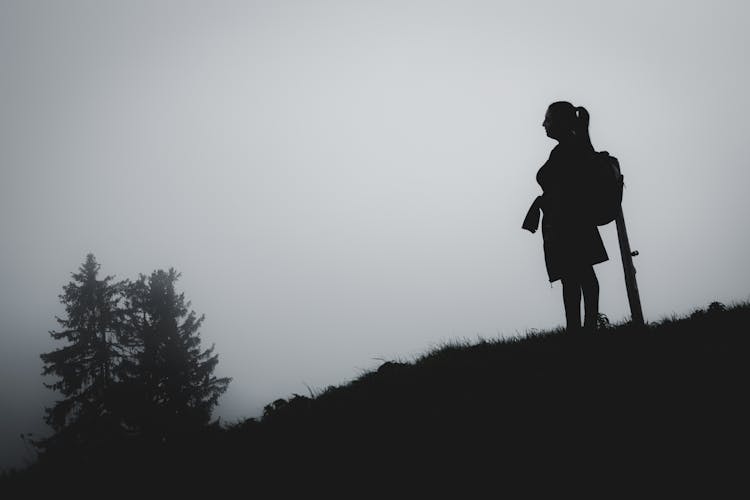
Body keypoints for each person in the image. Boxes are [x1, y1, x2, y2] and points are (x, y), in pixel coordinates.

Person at [522, 101, 608, 333]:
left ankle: (584, 329)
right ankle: (581, 329)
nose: (543, 124)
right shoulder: (572, 146)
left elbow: (569, 187)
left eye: (548, 119)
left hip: (569, 222)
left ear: (560, 122)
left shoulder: (570, 148)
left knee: (578, 276)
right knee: (577, 276)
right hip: (566, 221)